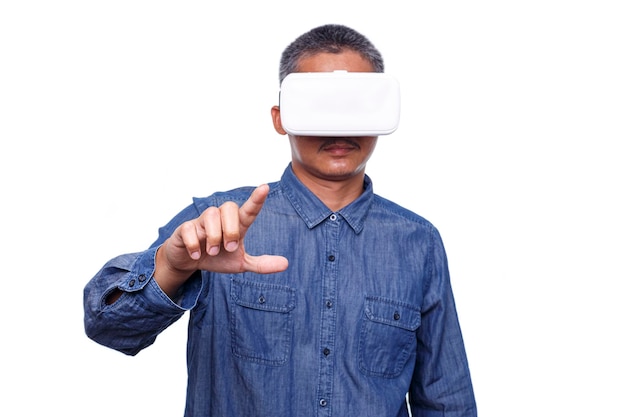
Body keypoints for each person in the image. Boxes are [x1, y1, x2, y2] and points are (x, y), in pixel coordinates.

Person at [84, 23, 477, 417]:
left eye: (357, 105)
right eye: (320, 106)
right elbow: (107, 326)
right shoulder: (219, 225)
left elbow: (446, 401)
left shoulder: (418, 242)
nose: (340, 126)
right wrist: (172, 267)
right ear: (280, 117)